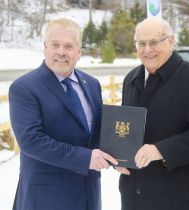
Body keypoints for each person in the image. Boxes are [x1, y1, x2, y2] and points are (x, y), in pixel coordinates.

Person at [9, 18, 118, 210]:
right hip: (46, 198)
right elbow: (31, 141)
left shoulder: (92, 84)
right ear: (45, 47)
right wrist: (86, 158)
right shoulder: (24, 88)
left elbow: (98, 133)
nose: (61, 51)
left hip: (88, 194)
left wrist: (118, 156)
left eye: (68, 46)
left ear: (78, 52)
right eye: (55, 45)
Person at [115, 17, 189, 210]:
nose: (147, 50)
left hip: (178, 197)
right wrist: (119, 157)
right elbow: (128, 128)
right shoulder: (130, 79)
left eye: (154, 42)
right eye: (141, 43)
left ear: (171, 41)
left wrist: (161, 150)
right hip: (134, 196)